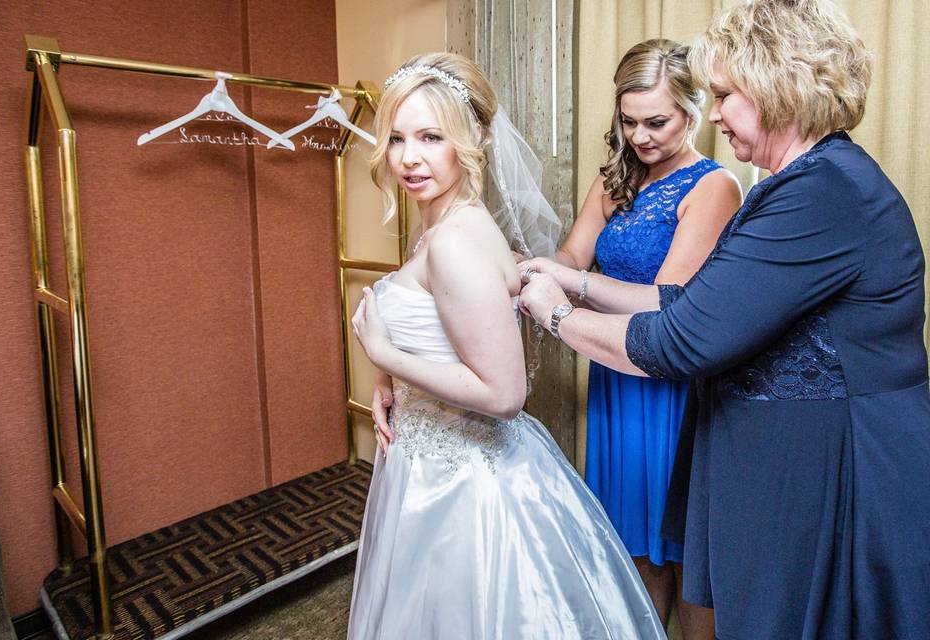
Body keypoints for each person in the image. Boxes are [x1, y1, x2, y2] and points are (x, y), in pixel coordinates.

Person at [517, 1, 930, 638]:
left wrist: (556, 314)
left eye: (725, 95)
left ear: (777, 88)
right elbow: (694, 304)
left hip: (839, 470)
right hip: (798, 465)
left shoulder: (823, 190)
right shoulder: (806, 182)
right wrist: (570, 279)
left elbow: (680, 339)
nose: (713, 114)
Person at [347, 52, 666, 639]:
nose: (408, 157)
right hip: (431, 457)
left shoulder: (455, 241)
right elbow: (448, 340)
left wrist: (385, 354)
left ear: (471, 139)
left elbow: (503, 393)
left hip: (463, 485)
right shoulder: (442, 225)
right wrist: (396, 380)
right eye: (396, 137)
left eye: (430, 136)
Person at [538, 39, 738, 638]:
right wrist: (531, 268)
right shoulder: (615, 180)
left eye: (658, 121)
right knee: (633, 548)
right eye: (629, 121)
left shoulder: (714, 187)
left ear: (693, 110)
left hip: (671, 383)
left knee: (682, 552)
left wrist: (567, 285)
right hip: (613, 378)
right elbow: (572, 254)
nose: (641, 136)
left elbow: (665, 300)